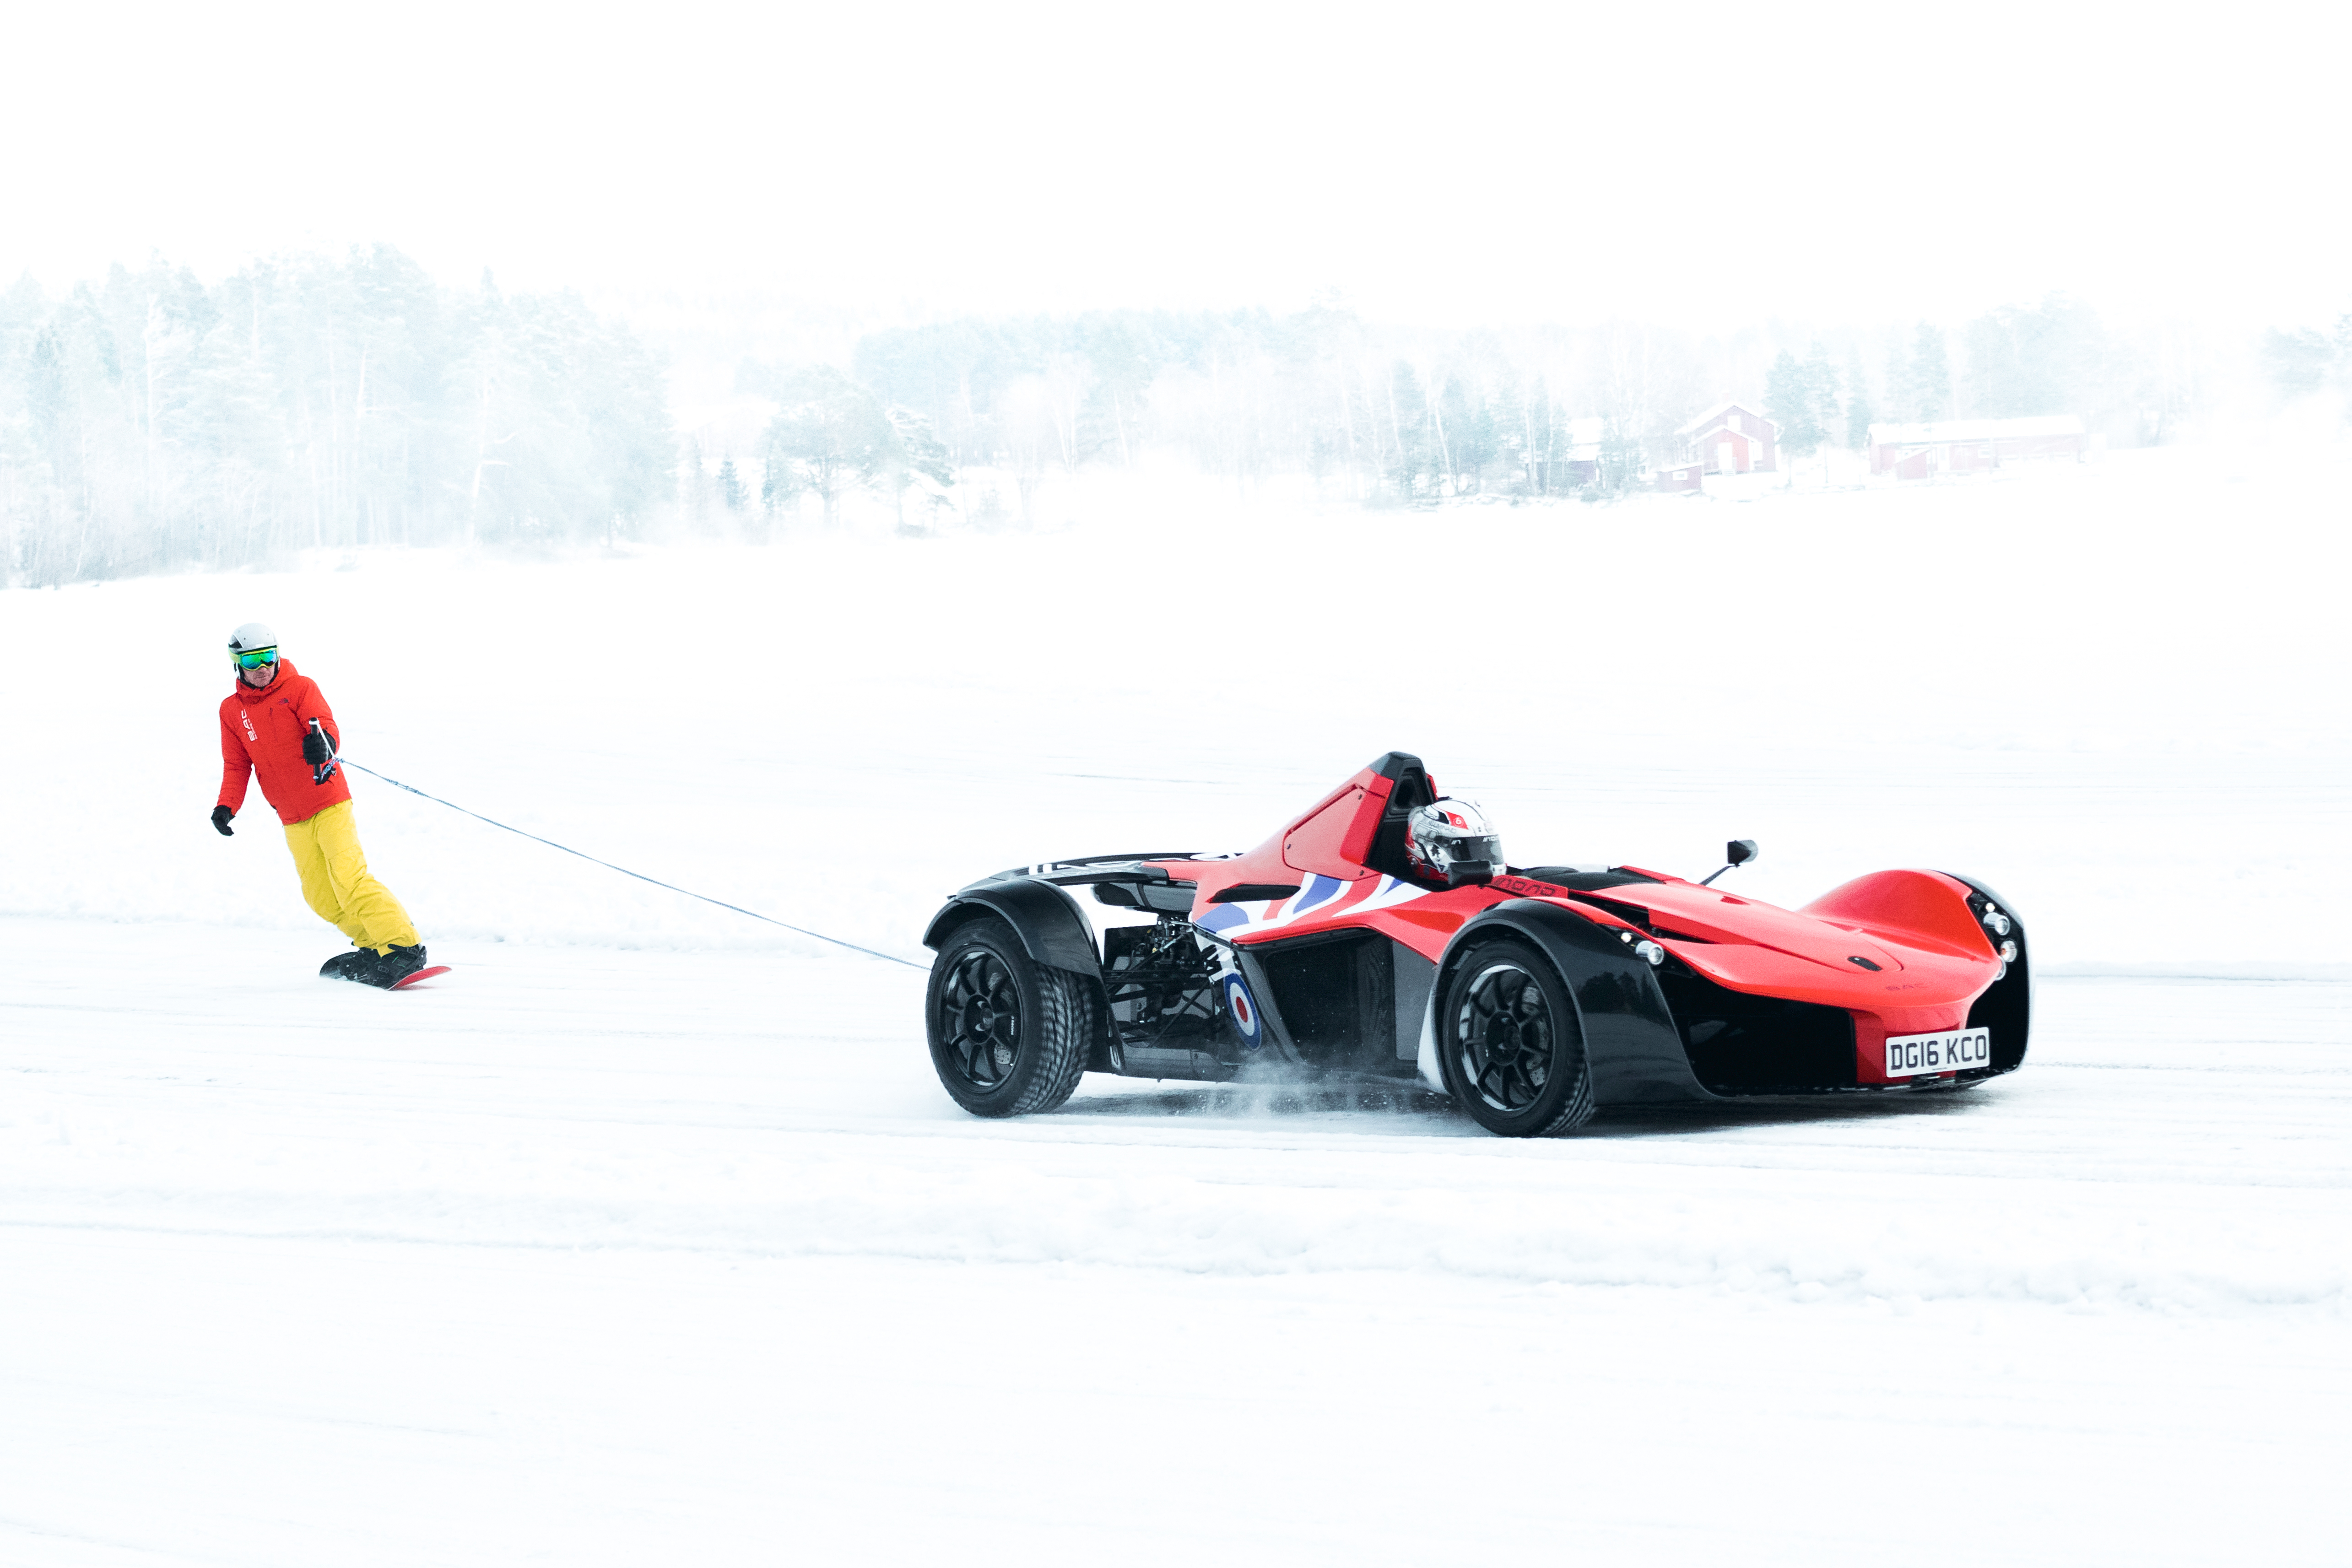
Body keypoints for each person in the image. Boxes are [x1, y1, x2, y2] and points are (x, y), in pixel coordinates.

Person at [213, 623, 427, 985]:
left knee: (349, 879)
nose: (263, 667)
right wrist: (226, 806)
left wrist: (323, 743)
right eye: (252, 661)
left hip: (328, 802)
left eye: (268, 657)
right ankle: (372, 945)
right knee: (319, 896)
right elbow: (237, 764)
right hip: (291, 816)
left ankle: (403, 947)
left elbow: (324, 725)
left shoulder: (300, 688)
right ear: (237, 664)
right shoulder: (231, 711)